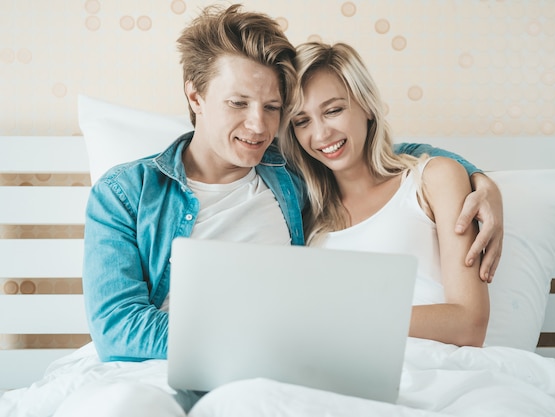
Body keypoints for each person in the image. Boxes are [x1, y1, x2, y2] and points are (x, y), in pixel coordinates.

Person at [82, 3, 501, 365]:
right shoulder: (125, 193)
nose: (258, 125)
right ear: (195, 97)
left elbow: (367, 154)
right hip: (177, 360)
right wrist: (254, 337)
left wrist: (478, 178)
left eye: (273, 108)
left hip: (292, 363)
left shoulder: (290, 175)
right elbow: (118, 326)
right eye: (238, 103)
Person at [280, 41, 490, 346]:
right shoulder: (306, 218)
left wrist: (350, 319)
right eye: (302, 121)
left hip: (438, 368)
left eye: (334, 110)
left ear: (366, 105)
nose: (321, 134)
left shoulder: (433, 179)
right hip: (341, 375)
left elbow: (470, 324)